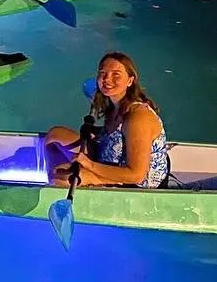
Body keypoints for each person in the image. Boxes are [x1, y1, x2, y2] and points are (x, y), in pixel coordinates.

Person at [42, 52, 168, 188]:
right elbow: (119, 135)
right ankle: (67, 174)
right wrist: (97, 132)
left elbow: (136, 175)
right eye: (103, 73)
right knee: (55, 135)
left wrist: (89, 165)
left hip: (132, 181)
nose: (107, 79)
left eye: (116, 74)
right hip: (109, 160)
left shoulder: (138, 117)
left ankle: (82, 183)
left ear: (130, 81)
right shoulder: (115, 107)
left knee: (62, 179)